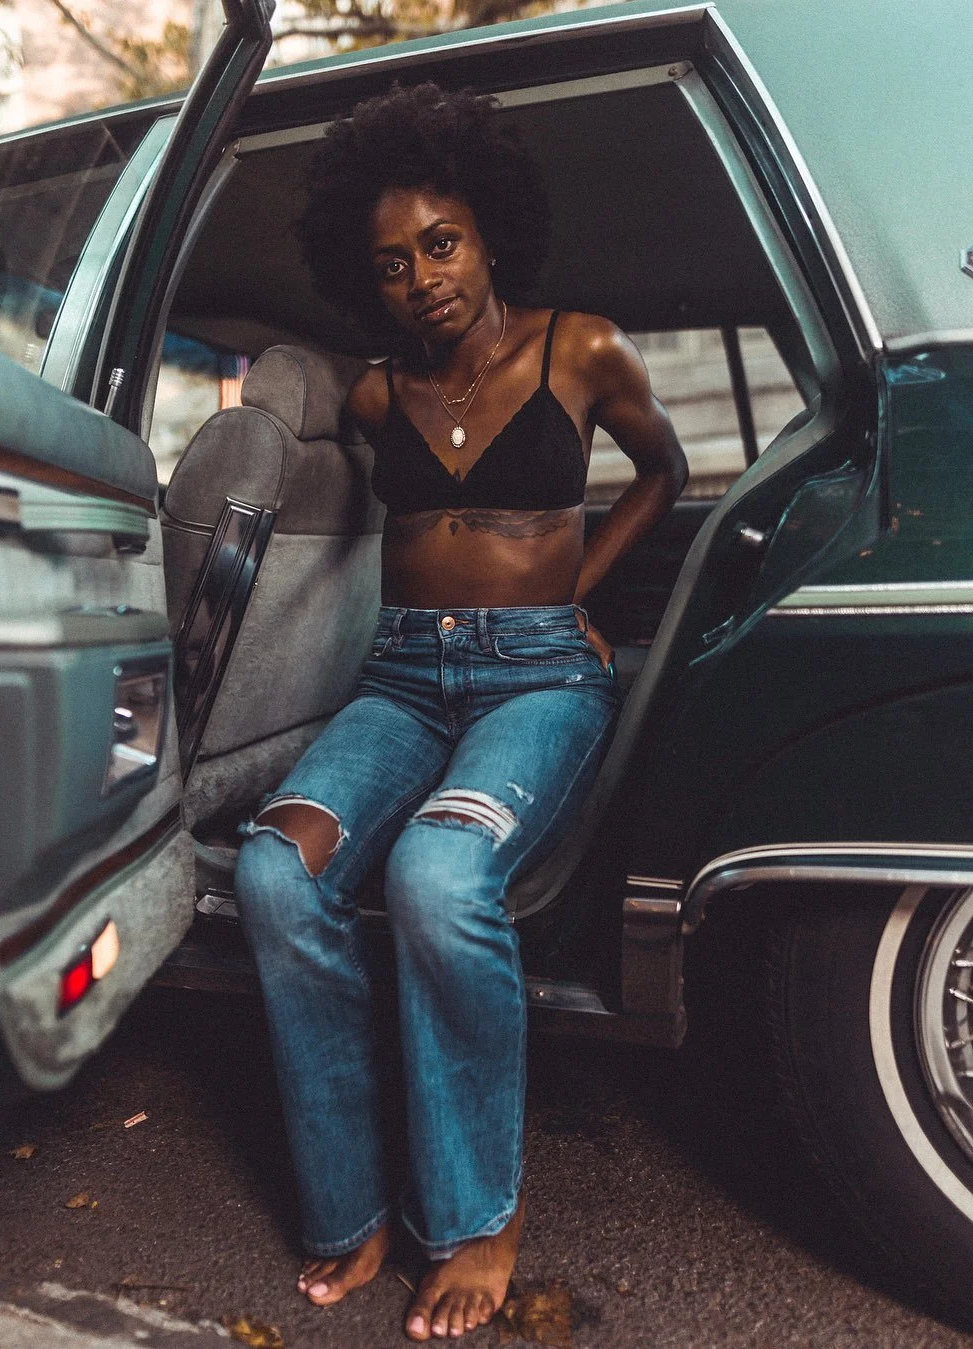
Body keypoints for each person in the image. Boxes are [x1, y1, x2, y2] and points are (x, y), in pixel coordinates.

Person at [234, 82, 687, 1342]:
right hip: (399, 679)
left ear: (487, 234)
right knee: (275, 871)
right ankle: (349, 1207)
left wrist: (575, 594)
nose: (423, 276)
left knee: (438, 872)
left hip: (539, 676)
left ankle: (476, 1215)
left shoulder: (578, 348)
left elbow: (667, 472)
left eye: (441, 243)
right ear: (365, 281)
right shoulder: (377, 396)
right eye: (391, 263)